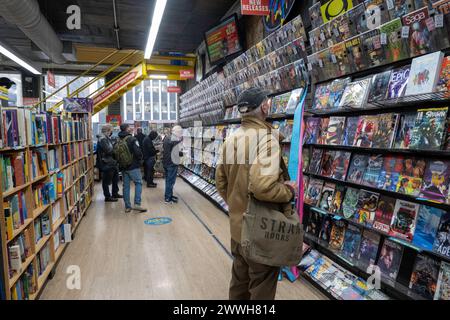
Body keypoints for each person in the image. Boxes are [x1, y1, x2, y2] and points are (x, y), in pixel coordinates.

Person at [215, 88, 297, 300]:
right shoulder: (267, 139)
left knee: (239, 285)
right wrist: (288, 191)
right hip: (261, 232)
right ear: (264, 106)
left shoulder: (230, 139)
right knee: (261, 288)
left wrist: (237, 206)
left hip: (237, 229)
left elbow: (221, 183)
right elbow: (262, 186)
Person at [117, 123, 147, 213]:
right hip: (133, 166)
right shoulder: (132, 139)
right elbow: (138, 153)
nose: (130, 128)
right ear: (126, 129)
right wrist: (140, 160)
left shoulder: (118, 139)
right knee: (138, 183)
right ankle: (137, 204)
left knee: (125, 187)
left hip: (123, 167)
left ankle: (127, 207)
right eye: (129, 127)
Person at [96, 124, 122, 202]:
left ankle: (115, 193)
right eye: (111, 130)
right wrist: (115, 146)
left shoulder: (106, 138)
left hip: (111, 162)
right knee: (106, 180)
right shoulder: (102, 139)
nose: (112, 132)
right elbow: (108, 150)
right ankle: (107, 196)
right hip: (106, 162)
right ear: (107, 131)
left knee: (115, 178)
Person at [162, 125, 183, 204]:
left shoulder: (167, 138)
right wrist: (182, 153)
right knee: (171, 181)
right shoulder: (175, 140)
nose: (181, 134)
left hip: (166, 162)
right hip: (172, 163)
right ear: (177, 132)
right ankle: (168, 198)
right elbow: (176, 153)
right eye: (180, 132)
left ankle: (169, 195)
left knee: (168, 180)